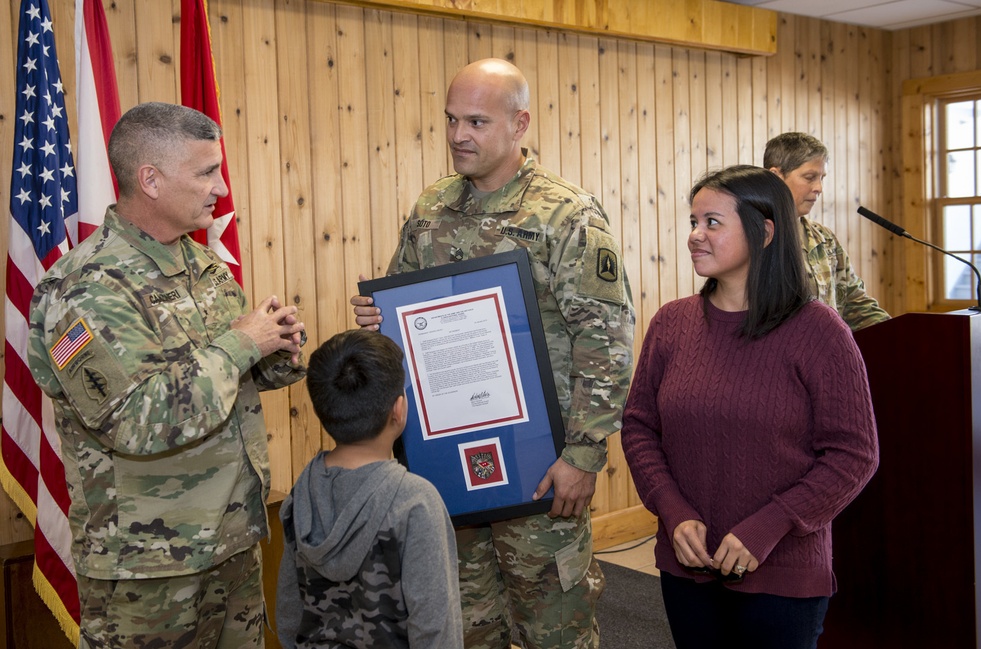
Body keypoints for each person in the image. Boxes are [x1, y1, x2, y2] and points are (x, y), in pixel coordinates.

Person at [351, 58, 635, 648]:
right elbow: (402, 307)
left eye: (476, 121)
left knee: (554, 624)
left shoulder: (567, 214)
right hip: (445, 463)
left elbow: (606, 339)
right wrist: (379, 319)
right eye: (452, 119)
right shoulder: (432, 208)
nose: (459, 135)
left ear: (520, 123)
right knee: (465, 622)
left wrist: (584, 454)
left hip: (541, 464)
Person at [27, 102, 307, 648]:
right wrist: (240, 343)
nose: (221, 188)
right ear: (149, 180)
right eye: (206, 172)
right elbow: (133, 420)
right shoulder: (86, 289)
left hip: (232, 544)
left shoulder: (203, 268)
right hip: (147, 573)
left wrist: (273, 349)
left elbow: (223, 380)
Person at [621, 165, 878, 648]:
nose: (695, 236)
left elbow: (854, 455)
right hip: (687, 567)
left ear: (764, 233)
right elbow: (638, 427)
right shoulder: (671, 324)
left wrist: (768, 527)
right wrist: (673, 512)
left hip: (783, 576)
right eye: (693, 222)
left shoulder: (819, 331)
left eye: (712, 222)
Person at [276, 329, 462, 648]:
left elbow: (288, 616)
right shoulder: (415, 500)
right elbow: (435, 628)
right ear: (398, 410)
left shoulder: (301, 492)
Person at [764, 132, 890, 330]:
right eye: (809, 177)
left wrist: (899, 336)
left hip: (827, 356)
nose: (819, 188)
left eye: (822, 178)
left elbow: (854, 303)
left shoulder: (824, 238)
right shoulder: (753, 237)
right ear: (776, 177)